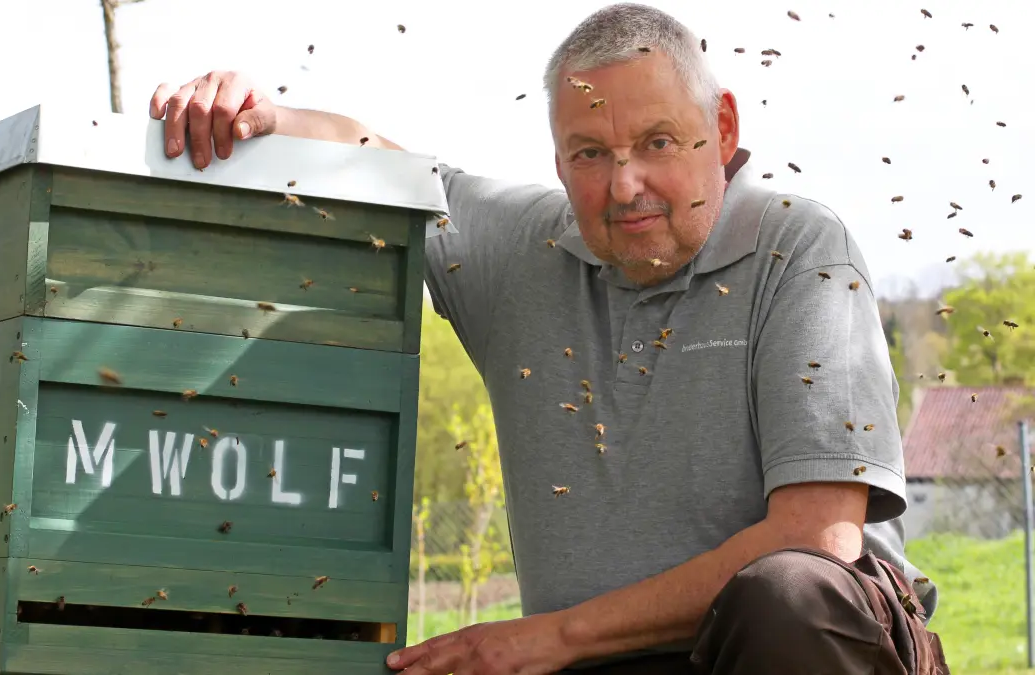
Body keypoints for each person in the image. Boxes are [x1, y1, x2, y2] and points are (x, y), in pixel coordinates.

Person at [148, 4, 950, 673]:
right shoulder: (521, 250)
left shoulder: (798, 247)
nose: (625, 184)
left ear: (723, 126)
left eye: (657, 144)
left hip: (804, 646)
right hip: (598, 659)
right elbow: (371, 161)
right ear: (560, 163)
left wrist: (547, 636)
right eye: (592, 154)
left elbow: (821, 537)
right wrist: (263, 113)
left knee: (788, 595)